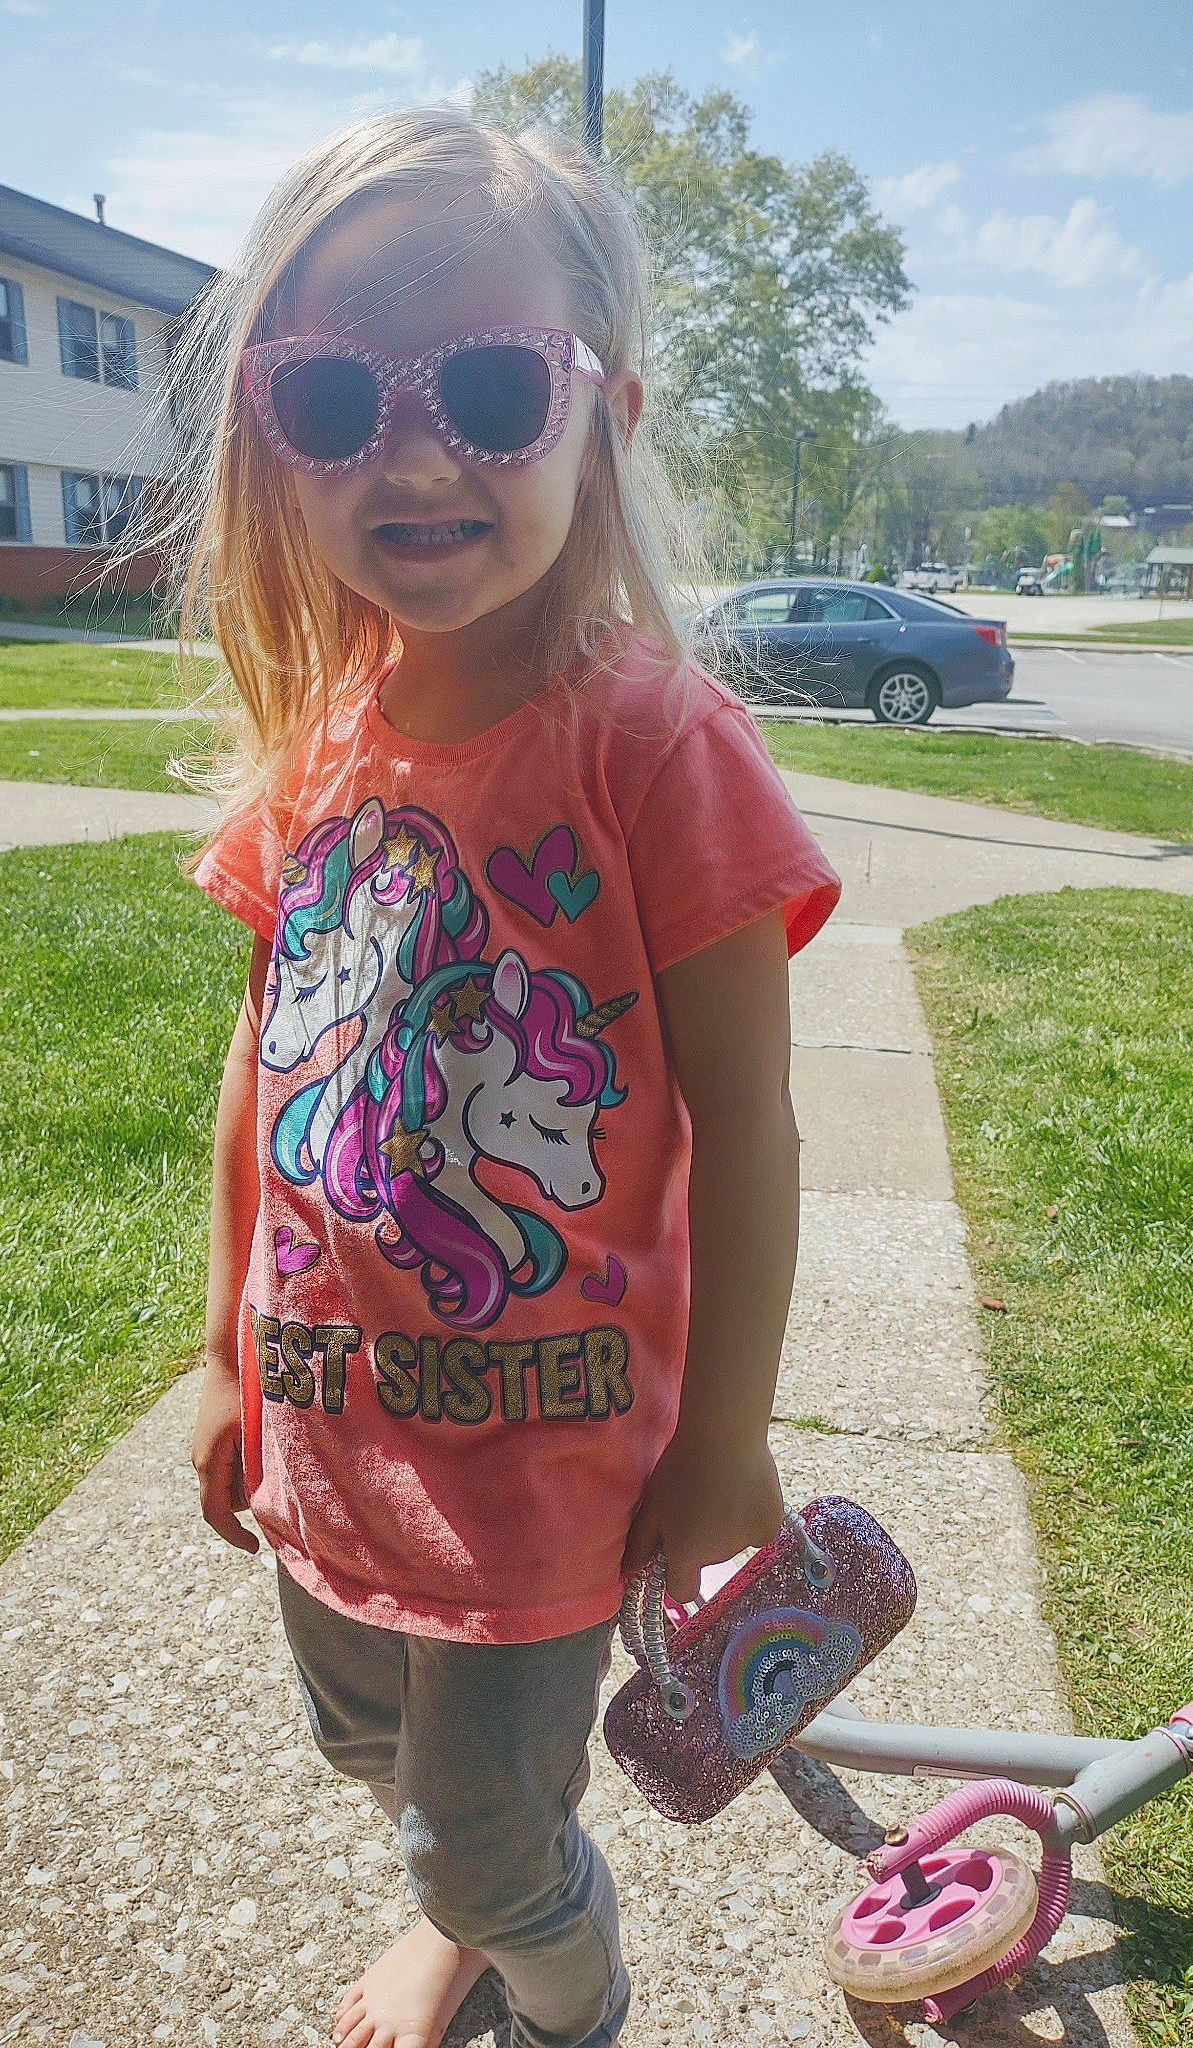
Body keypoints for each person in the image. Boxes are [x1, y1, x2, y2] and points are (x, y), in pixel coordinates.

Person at [167, 105, 842, 2048]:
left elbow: (749, 1120)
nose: (420, 451)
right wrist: (225, 1340)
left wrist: (723, 1437)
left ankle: (563, 1993)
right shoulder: (325, 740)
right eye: (332, 397)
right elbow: (265, 1045)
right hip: (329, 1415)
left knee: (479, 1828)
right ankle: (464, 1905)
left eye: (484, 384)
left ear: (604, 411)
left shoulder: (654, 743)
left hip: (550, 1453)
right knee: (366, 1744)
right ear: (269, 441)